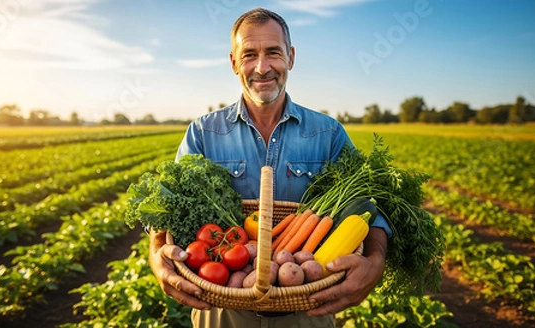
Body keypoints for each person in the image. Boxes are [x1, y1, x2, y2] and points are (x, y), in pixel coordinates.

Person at [148, 7, 391, 328]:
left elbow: (368, 206)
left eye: (273, 53)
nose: (262, 68)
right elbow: (168, 211)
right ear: (234, 62)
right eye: (249, 54)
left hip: (307, 308)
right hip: (221, 309)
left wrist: (375, 260)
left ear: (290, 57)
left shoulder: (328, 133)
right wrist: (156, 255)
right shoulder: (203, 133)